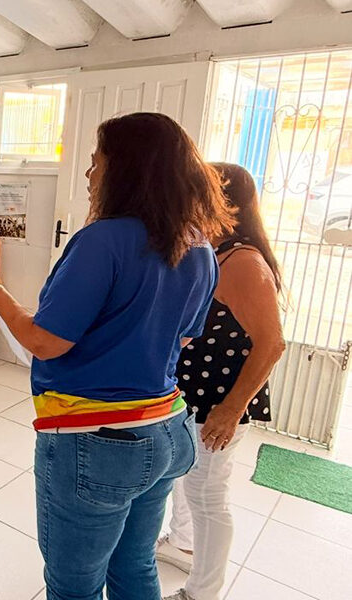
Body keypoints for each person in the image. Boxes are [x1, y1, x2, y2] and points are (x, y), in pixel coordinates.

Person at [0, 112, 234, 600]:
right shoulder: (199, 248)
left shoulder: (103, 240)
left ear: (129, 169)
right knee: (134, 566)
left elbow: (49, 342)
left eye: (97, 163)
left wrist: (0, 301)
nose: (90, 175)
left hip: (97, 439)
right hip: (164, 429)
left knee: (75, 585)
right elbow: (177, 339)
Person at [157, 163, 286, 600]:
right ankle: (182, 543)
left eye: (194, 192)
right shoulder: (215, 251)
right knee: (184, 478)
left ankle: (201, 592)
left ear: (221, 201)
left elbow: (272, 344)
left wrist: (230, 411)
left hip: (219, 402)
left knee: (208, 495)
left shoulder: (244, 261)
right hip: (193, 395)